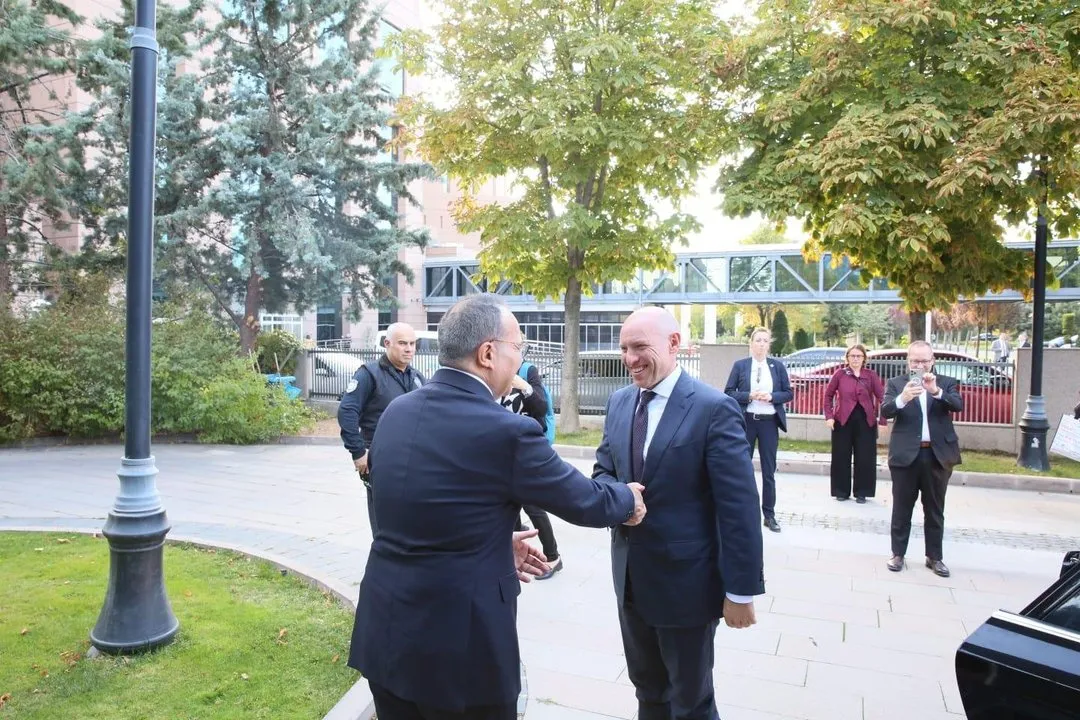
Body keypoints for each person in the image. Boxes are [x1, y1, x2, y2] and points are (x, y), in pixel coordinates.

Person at [347, 294, 646, 720]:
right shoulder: (507, 431)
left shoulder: (397, 412)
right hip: (460, 654)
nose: (519, 358)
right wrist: (629, 497)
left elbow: (419, 507)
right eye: (518, 348)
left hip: (387, 635)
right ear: (488, 352)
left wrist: (489, 541)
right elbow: (586, 503)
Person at [593, 307, 764, 720]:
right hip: (631, 584)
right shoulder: (618, 403)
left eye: (640, 347)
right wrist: (621, 500)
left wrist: (740, 592)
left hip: (687, 590)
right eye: (623, 349)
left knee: (691, 702)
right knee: (648, 693)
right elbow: (603, 470)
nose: (630, 359)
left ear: (674, 344)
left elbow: (739, 508)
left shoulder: (713, 408)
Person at [881, 341, 963, 578]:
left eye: (924, 360)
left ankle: (934, 557)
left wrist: (936, 391)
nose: (920, 365)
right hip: (906, 455)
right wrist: (903, 398)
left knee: (935, 509)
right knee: (901, 507)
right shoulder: (897, 384)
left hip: (937, 455)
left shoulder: (945, 382)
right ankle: (898, 554)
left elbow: (957, 405)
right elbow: (886, 410)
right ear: (908, 362)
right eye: (915, 361)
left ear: (933, 360)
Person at [337, 322, 426, 534]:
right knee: (385, 527)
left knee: (413, 523)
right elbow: (346, 412)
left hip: (414, 461)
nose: (409, 349)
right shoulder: (369, 374)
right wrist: (358, 452)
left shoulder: (417, 378)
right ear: (387, 344)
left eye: (413, 344)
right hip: (381, 458)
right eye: (403, 343)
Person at [500, 356, 564, 579]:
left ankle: (553, 556)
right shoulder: (496, 370)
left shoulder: (527, 371)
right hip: (501, 450)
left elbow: (541, 406)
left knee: (533, 505)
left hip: (526, 451)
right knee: (509, 505)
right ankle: (515, 550)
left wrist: (523, 386)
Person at [724, 327, 793, 533]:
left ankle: (769, 515)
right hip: (747, 422)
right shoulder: (741, 366)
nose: (761, 344)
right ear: (751, 344)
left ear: (769, 344)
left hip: (769, 423)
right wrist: (749, 396)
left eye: (765, 341)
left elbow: (788, 393)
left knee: (768, 471)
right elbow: (728, 392)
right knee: (742, 469)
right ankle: (741, 512)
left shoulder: (777, 367)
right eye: (758, 340)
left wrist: (772, 397)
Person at [823, 344, 884, 504]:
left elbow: (882, 397)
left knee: (865, 457)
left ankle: (862, 492)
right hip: (843, 420)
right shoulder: (840, 374)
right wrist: (829, 416)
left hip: (865, 420)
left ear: (864, 358)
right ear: (847, 358)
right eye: (852, 356)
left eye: (859, 356)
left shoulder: (871, 375)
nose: (855, 359)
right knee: (841, 455)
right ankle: (841, 491)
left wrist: (882, 419)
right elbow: (828, 396)